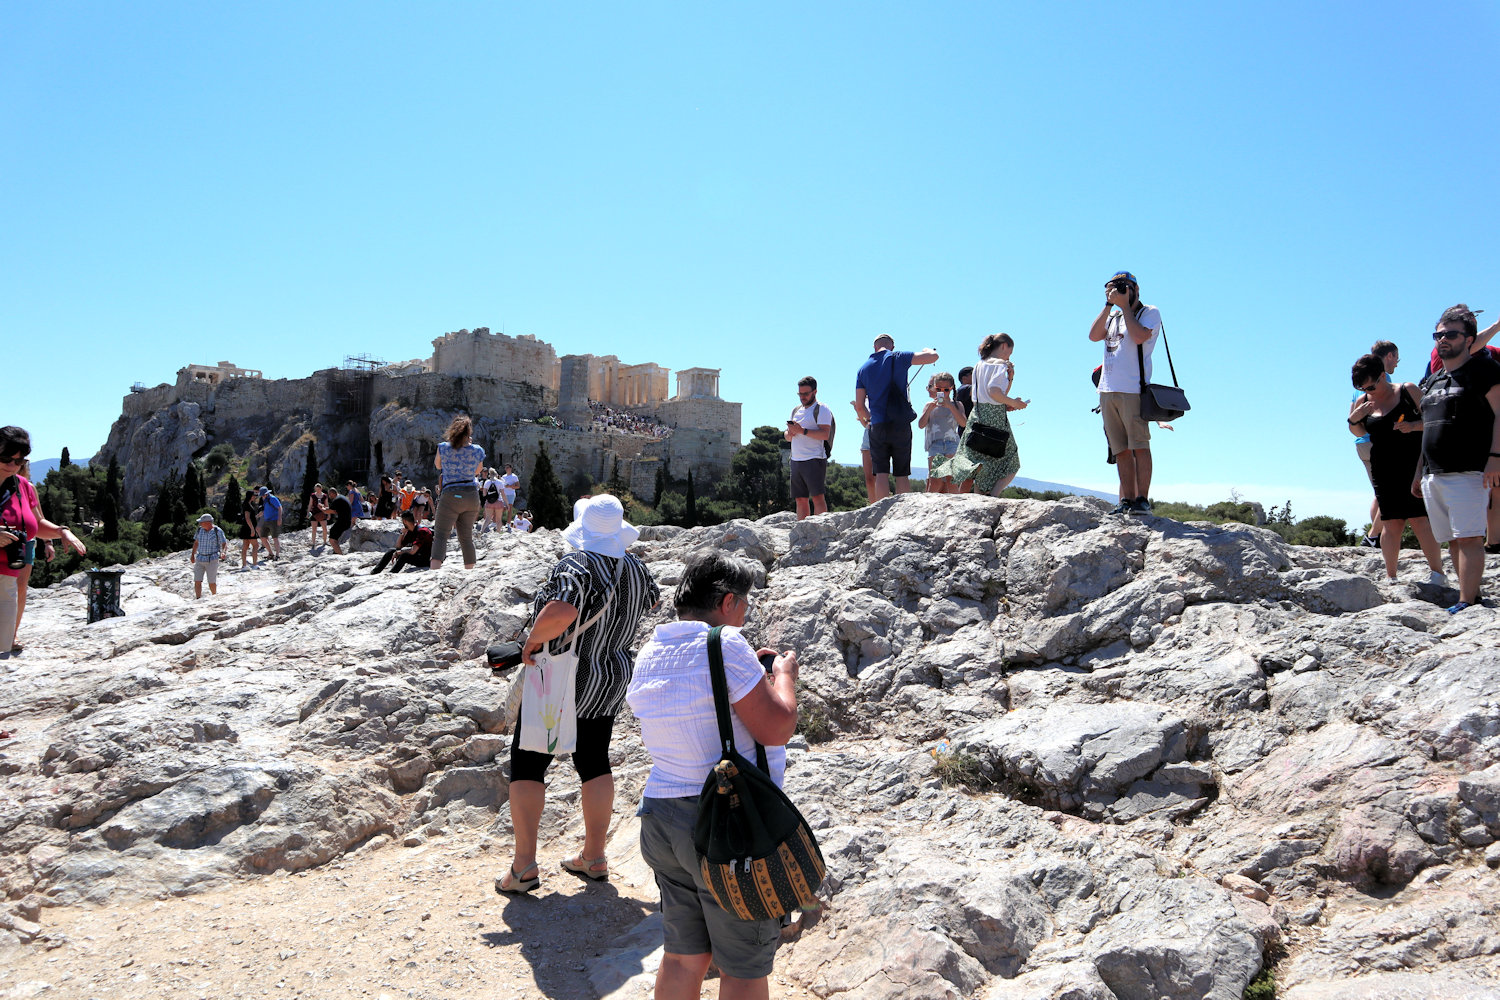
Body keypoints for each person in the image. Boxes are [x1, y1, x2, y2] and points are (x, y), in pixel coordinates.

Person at [627, 552, 800, 1000]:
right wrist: (784, 676)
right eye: (744, 602)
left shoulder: (651, 652)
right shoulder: (725, 643)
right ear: (727, 603)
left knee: (684, 956)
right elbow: (777, 726)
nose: (745, 612)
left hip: (662, 817)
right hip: (725, 826)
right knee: (742, 967)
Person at [497, 494, 660, 894]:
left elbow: (563, 611)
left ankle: (523, 867)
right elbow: (653, 601)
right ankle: (594, 856)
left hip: (562, 681)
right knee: (593, 761)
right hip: (607, 679)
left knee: (529, 763)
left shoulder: (577, 563)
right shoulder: (635, 567)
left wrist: (532, 642)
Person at [1411, 304, 1500, 613]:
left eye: (1450, 334)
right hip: (1433, 474)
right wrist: (1419, 472)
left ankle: (1467, 601)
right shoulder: (1433, 380)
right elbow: (1429, 428)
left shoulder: (1484, 371)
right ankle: (1468, 594)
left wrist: (1495, 457)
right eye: (1439, 334)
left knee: (1471, 537)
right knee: (1452, 538)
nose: (1443, 339)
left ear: (1469, 338)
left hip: (1469, 469)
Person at [1347, 354, 1446, 585]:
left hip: (1414, 464)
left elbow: (1435, 421)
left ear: (1383, 375)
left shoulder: (1408, 390)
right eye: (1363, 388)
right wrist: (1354, 419)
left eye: (1371, 385)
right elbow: (1360, 433)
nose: (1369, 391)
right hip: (1383, 467)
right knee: (1391, 523)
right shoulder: (1363, 401)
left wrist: (1412, 426)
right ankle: (1391, 577)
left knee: (1420, 520)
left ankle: (1438, 574)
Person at [1, 431, 84, 658]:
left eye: (18, 461)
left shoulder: (23, 487)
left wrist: (61, 532)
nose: (12, 465)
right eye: (6, 458)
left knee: (3, 649)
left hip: (6, 576)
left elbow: (36, 523)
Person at [1088, 270, 1163, 516]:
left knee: (1139, 446)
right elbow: (1093, 336)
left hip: (1133, 389)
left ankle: (1142, 499)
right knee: (1120, 450)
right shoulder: (1114, 316)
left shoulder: (1148, 312)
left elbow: (1140, 337)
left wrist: (1126, 307)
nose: (1118, 291)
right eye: (1113, 287)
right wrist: (1109, 304)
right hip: (1107, 390)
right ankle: (1127, 500)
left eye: (1123, 287)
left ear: (1135, 289)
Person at [933, 334, 1028, 497]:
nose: (1008, 357)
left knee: (984, 461)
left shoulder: (979, 365)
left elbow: (988, 393)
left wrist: (1010, 377)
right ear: (1004, 346)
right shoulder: (1000, 364)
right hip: (995, 416)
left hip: (977, 415)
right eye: (1009, 352)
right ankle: (993, 498)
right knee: (1011, 462)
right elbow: (995, 391)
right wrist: (1014, 403)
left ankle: (981, 500)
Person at [854, 334, 940, 500]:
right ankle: (901, 516)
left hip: (878, 425)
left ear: (874, 347)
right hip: (901, 423)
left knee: (881, 474)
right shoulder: (899, 357)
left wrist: (869, 420)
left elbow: (859, 405)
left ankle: (882, 514)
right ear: (892, 346)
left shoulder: (863, 369)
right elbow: (933, 357)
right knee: (902, 474)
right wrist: (926, 350)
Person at [1352, 342, 1400, 547]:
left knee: (1379, 492)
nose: (1397, 364)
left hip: (1361, 443)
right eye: (1397, 358)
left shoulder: (1362, 381)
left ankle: (1377, 538)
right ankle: (1373, 537)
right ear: (1389, 356)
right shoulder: (1382, 379)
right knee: (1392, 492)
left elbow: (1353, 413)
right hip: (1376, 442)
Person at [431, 415, 485, 570]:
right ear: (469, 433)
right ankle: (470, 573)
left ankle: (434, 572)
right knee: (466, 537)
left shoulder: (443, 447)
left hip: (451, 494)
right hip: (471, 495)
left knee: (441, 535)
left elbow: (438, 466)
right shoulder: (477, 450)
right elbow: (478, 470)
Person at [784, 377, 832, 520]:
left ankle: (820, 530)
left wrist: (802, 431)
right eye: (800, 394)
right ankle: (803, 532)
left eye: (806, 394)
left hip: (814, 459)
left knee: (817, 497)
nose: (802, 397)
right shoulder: (796, 410)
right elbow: (787, 436)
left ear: (815, 391)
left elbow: (825, 434)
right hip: (796, 459)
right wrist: (790, 433)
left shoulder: (822, 409)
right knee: (800, 499)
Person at [918, 372, 966, 493]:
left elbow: (963, 423)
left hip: (952, 444)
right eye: (939, 389)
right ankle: (928, 507)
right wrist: (929, 409)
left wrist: (950, 406)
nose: (943, 392)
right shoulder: (929, 405)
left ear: (951, 389)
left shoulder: (957, 405)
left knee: (952, 479)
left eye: (946, 390)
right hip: (935, 445)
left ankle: (956, 506)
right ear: (934, 388)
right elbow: (921, 425)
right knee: (935, 480)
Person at [189, 513, 229, 599]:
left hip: (212, 559)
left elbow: (224, 543)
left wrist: (223, 552)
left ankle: (214, 597)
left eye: (201, 522)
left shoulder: (217, 531)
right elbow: (196, 543)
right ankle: (198, 598)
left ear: (207, 522)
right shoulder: (199, 530)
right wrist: (193, 555)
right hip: (200, 558)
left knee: (211, 581)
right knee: (197, 580)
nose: (200, 524)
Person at [850, 400, 876, 504]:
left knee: (879, 475)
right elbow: (865, 423)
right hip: (869, 433)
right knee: (869, 478)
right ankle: (873, 505)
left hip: (882, 431)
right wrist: (858, 411)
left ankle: (881, 504)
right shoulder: (865, 399)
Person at [327, 487, 353, 555]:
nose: (329, 496)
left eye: (329, 494)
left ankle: (339, 554)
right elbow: (336, 511)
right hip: (347, 521)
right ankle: (336, 551)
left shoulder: (337, 500)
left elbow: (329, 511)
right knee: (334, 535)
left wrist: (322, 509)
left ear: (332, 493)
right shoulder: (342, 497)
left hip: (343, 521)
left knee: (332, 539)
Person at [258, 486, 283, 558]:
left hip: (274, 520)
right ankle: (271, 553)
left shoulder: (273, 498)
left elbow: (280, 508)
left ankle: (277, 555)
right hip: (266, 520)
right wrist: (260, 514)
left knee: (275, 538)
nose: (262, 496)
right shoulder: (265, 500)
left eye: (263, 495)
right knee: (263, 537)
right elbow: (266, 509)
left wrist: (279, 518)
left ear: (266, 494)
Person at [240, 493, 262, 567]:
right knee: (255, 545)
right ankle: (255, 564)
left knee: (245, 547)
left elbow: (251, 517)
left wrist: (258, 516)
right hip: (249, 528)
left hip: (246, 527)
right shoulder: (247, 505)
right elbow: (247, 518)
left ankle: (244, 565)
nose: (255, 497)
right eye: (254, 495)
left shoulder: (247, 504)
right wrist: (252, 529)